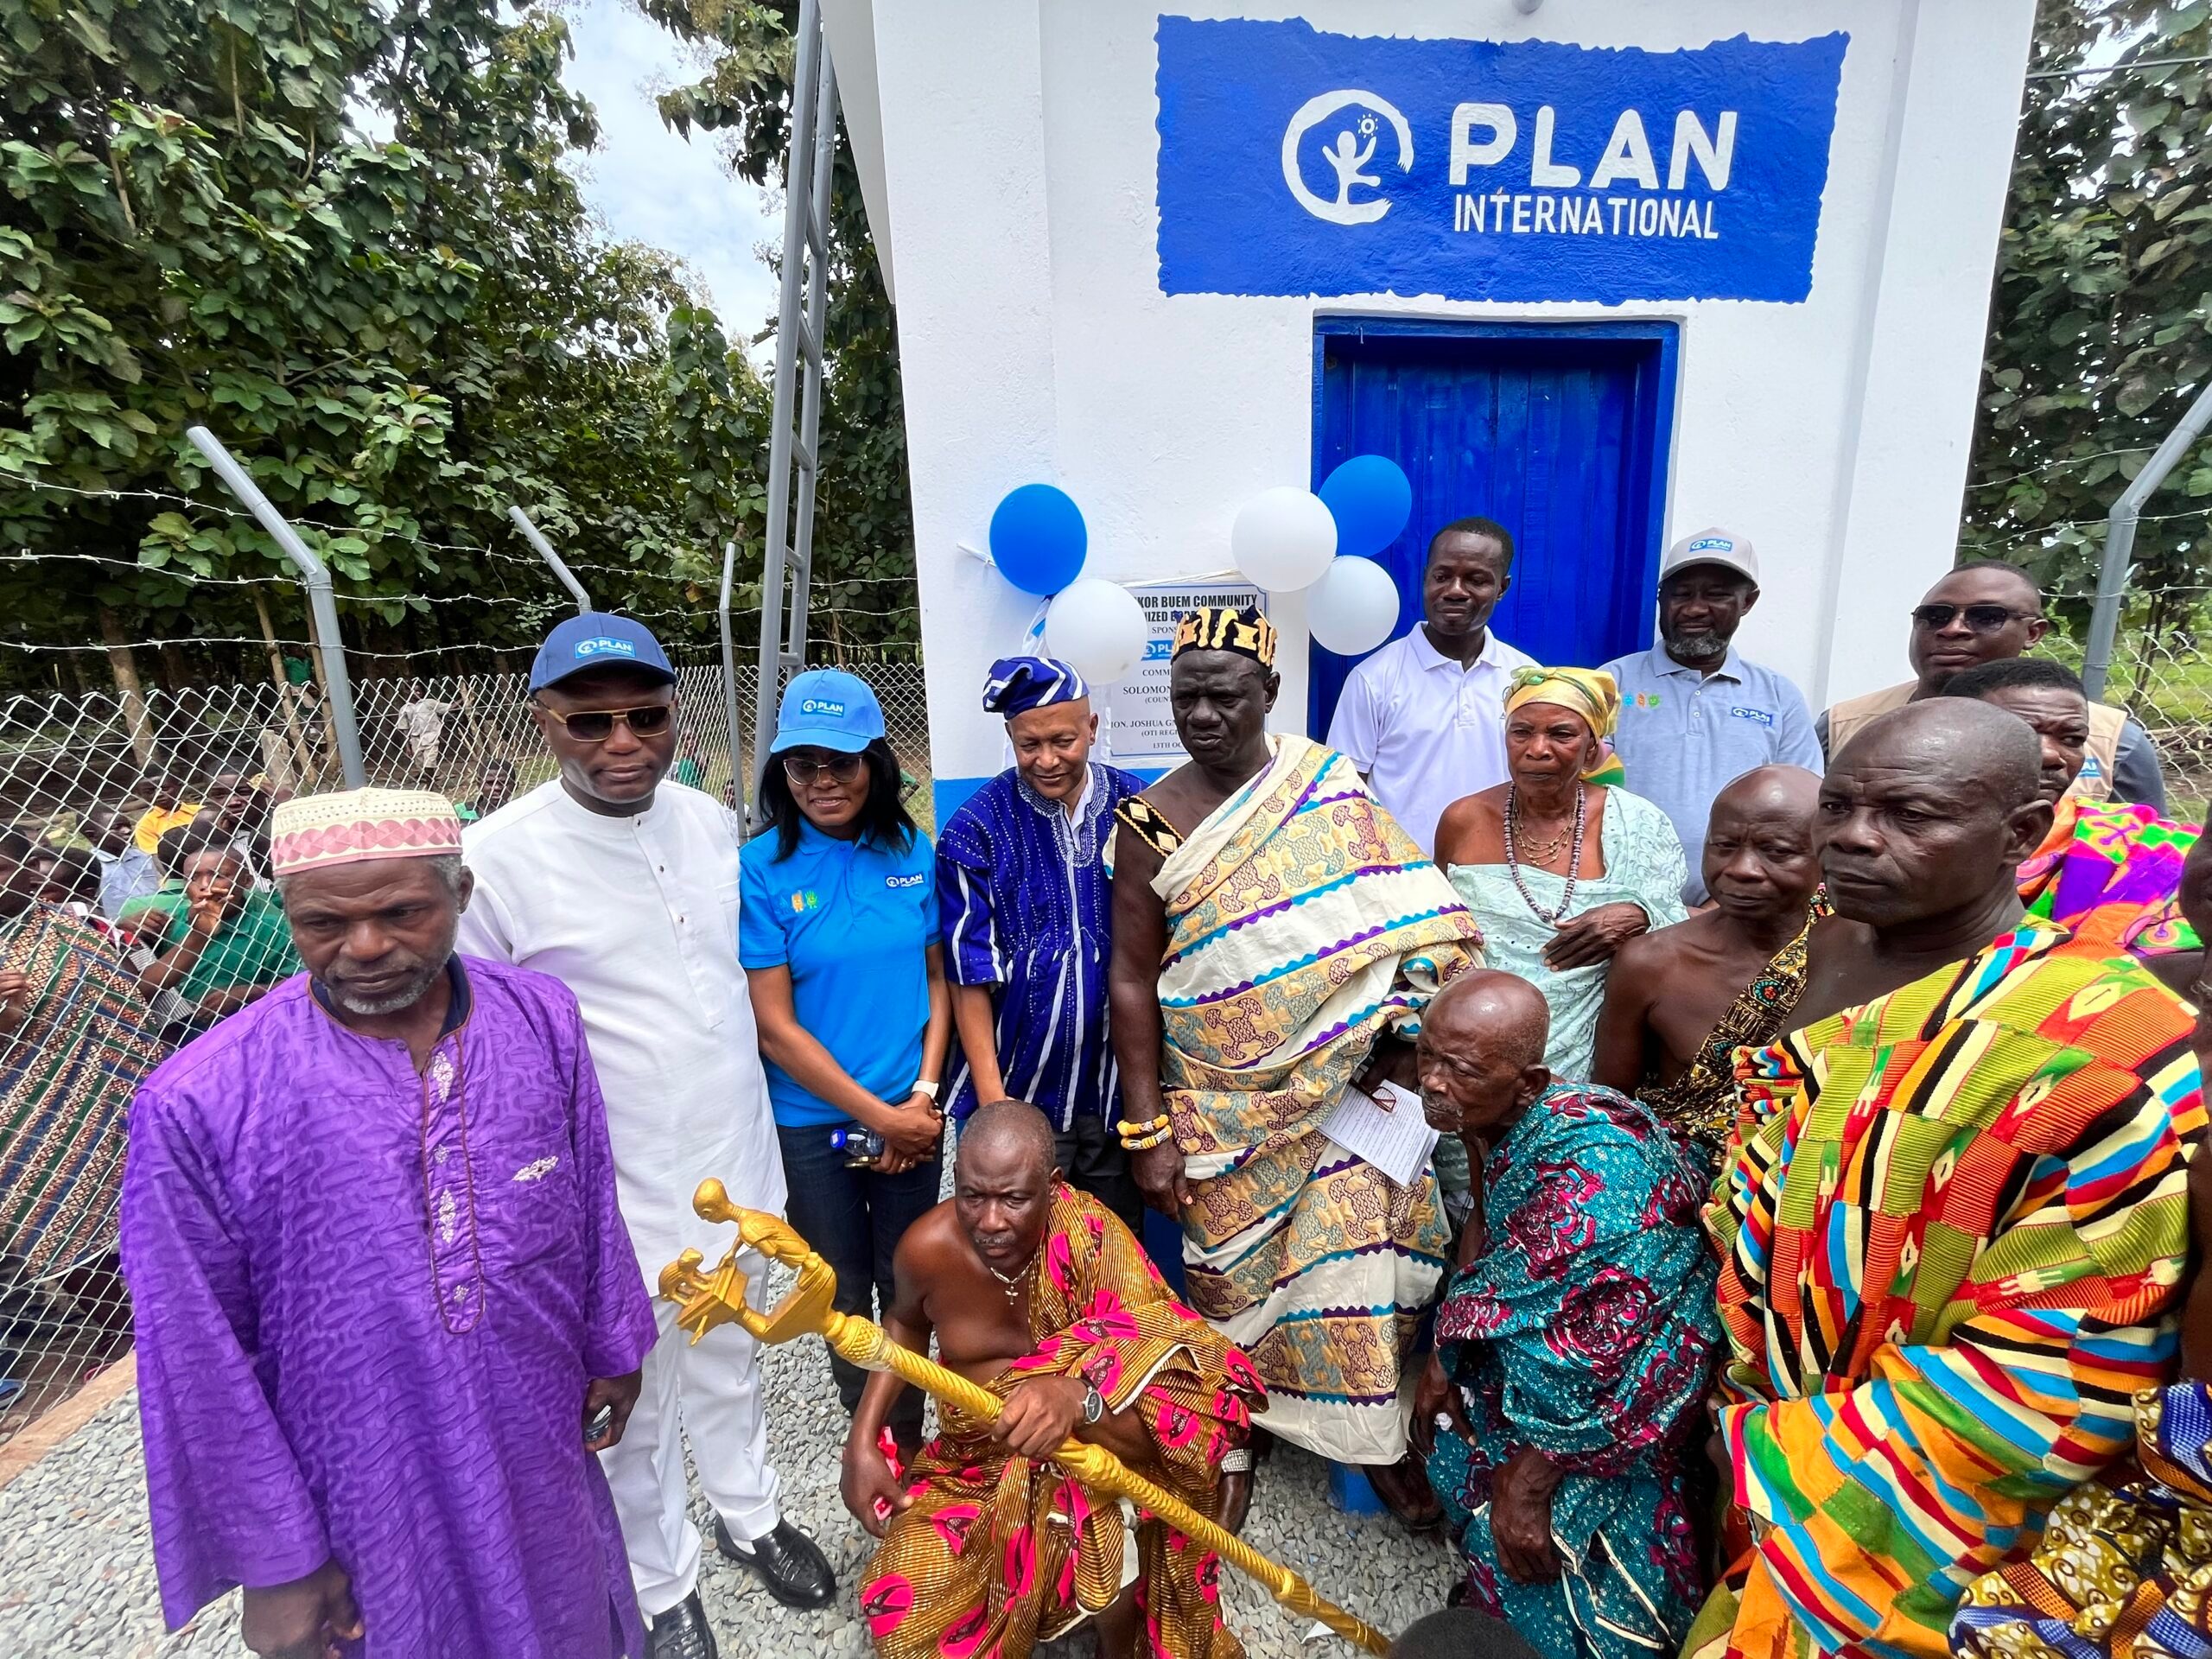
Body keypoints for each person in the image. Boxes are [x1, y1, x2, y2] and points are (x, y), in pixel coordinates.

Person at [1705, 700, 2203, 1659]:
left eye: (1911, 815)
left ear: (2022, 831)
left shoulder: (2104, 1045)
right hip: (1756, 1413)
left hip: (1913, 1508)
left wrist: (1779, 1454)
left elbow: (2062, 1371)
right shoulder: (1823, 947)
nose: (1854, 837)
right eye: (1839, 806)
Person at [123, 787, 658, 1659]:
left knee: (567, 1611)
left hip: (534, 1424)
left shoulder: (539, 1017)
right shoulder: (197, 1103)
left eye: (403, 912)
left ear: (463, 894)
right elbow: (195, 1356)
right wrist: (280, 1566)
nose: (365, 948)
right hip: (359, 1476)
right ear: (286, 916)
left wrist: (613, 1343)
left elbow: (590, 1188)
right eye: (323, 923)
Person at [459, 615, 833, 1656]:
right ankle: (664, 1586)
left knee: (731, 1357)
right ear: (547, 722)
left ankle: (750, 1516)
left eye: (646, 716)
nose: (622, 741)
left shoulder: (712, 825)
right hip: (611, 1197)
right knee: (634, 1395)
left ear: (676, 715)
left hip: (735, 1163)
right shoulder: (494, 863)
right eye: (591, 721)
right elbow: (489, 1058)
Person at [1107, 605, 1484, 1489]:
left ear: (1269, 692)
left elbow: (1406, 915)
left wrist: (1402, 1032)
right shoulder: (1152, 822)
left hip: (1347, 1092)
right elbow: (1130, 977)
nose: (1203, 716)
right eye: (1185, 697)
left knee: (1364, 1259)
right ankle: (1247, 1419)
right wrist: (1145, 1130)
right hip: (1220, 1098)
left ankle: (1368, 1437)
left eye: (1225, 696)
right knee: (1233, 1277)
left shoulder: (1324, 782)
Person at [842, 1100, 1263, 1659]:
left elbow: (1175, 1359)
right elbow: (904, 1324)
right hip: (977, 1461)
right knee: (901, 1614)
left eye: (1014, 1199)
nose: (990, 1221)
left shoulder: (1092, 1241)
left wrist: (1079, 1398)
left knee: (1101, 1544)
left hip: (1094, 1453)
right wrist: (862, 1437)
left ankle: (1118, 1631)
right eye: (972, 1195)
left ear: (1052, 1185)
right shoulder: (927, 1249)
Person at [1413, 972, 1718, 1659]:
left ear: (1531, 1081)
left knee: (1551, 1560)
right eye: (1426, 1053)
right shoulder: (1488, 1115)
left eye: (1458, 1068)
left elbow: (1609, 1362)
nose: (1432, 1081)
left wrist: (1533, 1473)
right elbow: (1486, 1226)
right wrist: (1443, 1354)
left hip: (1605, 1412)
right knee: (1456, 1431)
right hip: (1546, 1372)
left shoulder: (1592, 1187)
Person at [741, 667, 951, 1458]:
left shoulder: (912, 850)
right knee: (843, 1292)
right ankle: (877, 1450)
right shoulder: (760, 870)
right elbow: (776, 1028)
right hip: (815, 1129)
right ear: (781, 772)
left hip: (913, 1117)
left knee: (910, 1286)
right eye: (803, 766)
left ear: (875, 763)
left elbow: (937, 978)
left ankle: (916, 1444)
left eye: (841, 763)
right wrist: (883, 1117)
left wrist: (922, 1099)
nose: (823, 783)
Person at [937, 657, 1145, 1228]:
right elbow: (968, 978)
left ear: (1093, 729)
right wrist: (996, 1109)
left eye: (1064, 740)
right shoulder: (973, 830)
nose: (1047, 759)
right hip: (1020, 1088)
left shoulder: (1140, 809)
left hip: (1114, 1095)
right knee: (1024, 1269)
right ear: (1010, 737)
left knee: (1115, 1258)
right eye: (1030, 744)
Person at [1434, 667, 1688, 1084]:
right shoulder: (1464, 819)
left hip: (1589, 1065)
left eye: (1561, 734)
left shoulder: (1638, 824)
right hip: (1469, 1060)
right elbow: (1437, 934)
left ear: (1592, 748)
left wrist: (1642, 916)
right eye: (1521, 733)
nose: (1538, 749)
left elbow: (1677, 939)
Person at [0, 828, 165, 1406]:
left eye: (4, 868)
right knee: (61, 1225)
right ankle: (120, 1335)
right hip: (27, 1119)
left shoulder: (76, 923)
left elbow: (146, 988)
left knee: (164, 1204)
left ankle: (180, 1310)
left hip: (127, 1087)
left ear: (31, 869)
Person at [1590, 766, 1825, 1165]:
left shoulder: (1862, 950)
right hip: (1685, 1192)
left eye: (1777, 851)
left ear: (1826, 852)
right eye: (1724, 845)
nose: (1741, 868)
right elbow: (1613, 1112)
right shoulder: (1651, 963)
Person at [1819, 557, 2166, 809]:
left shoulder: (2112, 742)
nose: (1953, 629)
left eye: (1986, 617)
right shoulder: (1844, 725)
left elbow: (2147, 862)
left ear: (2033, 632)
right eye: (1935, 616)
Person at [1599, 529, 1822, 904]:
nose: (1695, 609)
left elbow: (1805, 805)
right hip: (1620, 898)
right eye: (1681, 594)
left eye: (1716, 594)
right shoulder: (1610, 683)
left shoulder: (1778, 695)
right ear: (1661, 600)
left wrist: (1722, 906)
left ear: (1747, 602)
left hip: (1740, 904)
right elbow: (1579, 795)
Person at [1941, 657, 2200, 968]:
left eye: (2072, 739)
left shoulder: (2147, 853)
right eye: (2018, 734)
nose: (2052, 756)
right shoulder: (1887, 842)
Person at [1325, 516, 1536, 858]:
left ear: (1502, 588)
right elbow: (1345, 793)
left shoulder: (1526, 678)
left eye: (1476, 580)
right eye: (1442, 576)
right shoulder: (1374, 679)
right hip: (1402, 881)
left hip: (1502, 878)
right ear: (1426, 579)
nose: (1454, 590)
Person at [132, 826, 297, 1036]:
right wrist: (123, 927)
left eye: (218, 875)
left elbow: (302, 981)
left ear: (247, 881)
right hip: (176, 1034)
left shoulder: (272, 927)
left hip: (250, 1030)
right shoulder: (165, 922)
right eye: (193, 878)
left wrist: (248, 992)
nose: (205, 886)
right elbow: (136, 985)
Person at [82, 802, 162, 920]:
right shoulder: (90, 866)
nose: (127, 831)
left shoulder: (141, 856)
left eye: (128, 826)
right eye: (116, 827)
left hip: (159, 916)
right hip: (122, 926)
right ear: (92, 836)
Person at [131, 762, 200, 856]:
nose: (158, 794)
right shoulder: (146, 826)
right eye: (149, 791)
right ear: (140, 795)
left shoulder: (200, 811)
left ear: (179, 786)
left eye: (164, 788)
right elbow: (156, 858)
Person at [394, 692, 454, 783]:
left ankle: (431, 785)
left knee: (430, 761)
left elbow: (447, 707)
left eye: (419, 690)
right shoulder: (405, 709)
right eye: (413, 690)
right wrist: (407, 746)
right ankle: (434, 777)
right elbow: (405, 728)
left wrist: (462, 700)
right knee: (419, 762)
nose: (417, 693)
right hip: (415, 739)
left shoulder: (428, 703)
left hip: (431, 736)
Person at [455, 757, 518, 823]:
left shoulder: (518, 813)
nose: (496, 788)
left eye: (504, 783)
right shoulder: (460, 811)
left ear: (515, 786)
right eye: (490, 783)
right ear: (479, 785)